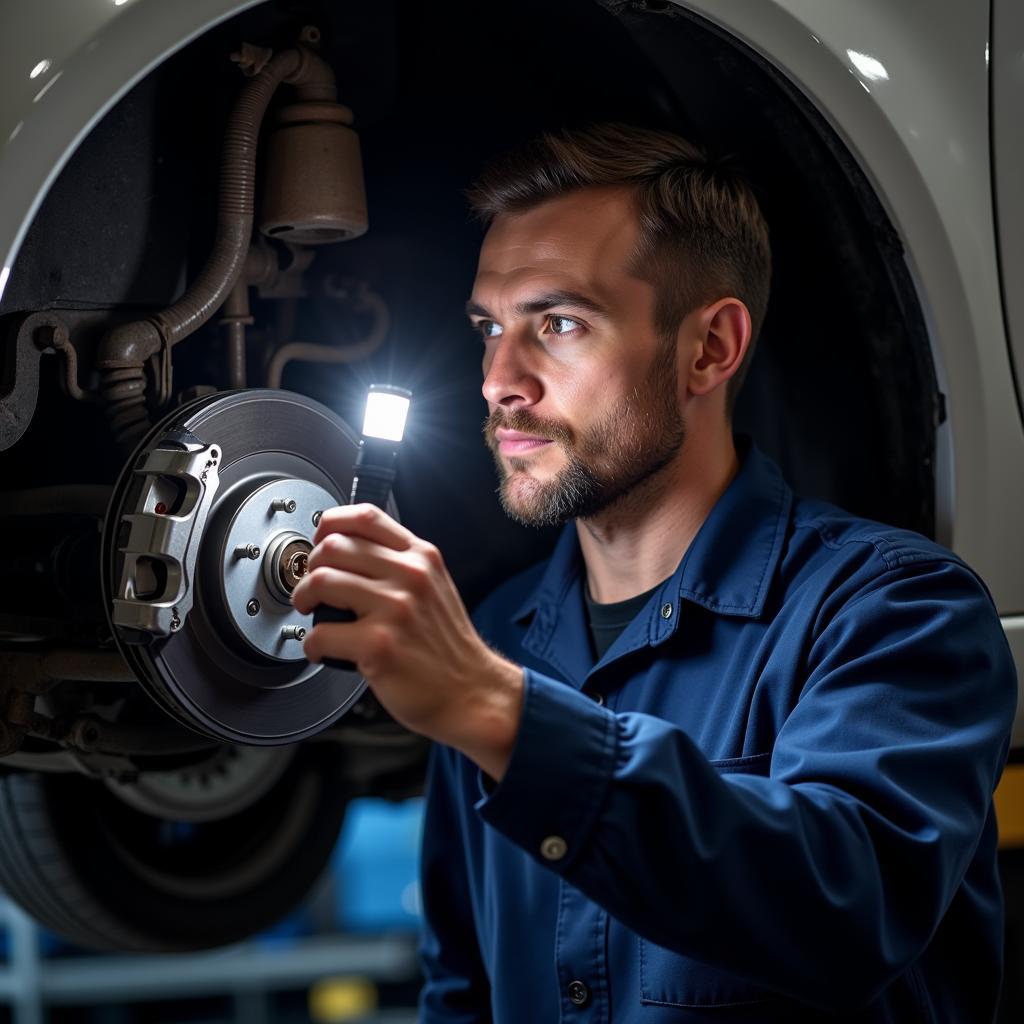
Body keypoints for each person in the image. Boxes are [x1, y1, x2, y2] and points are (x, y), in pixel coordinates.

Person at [291, 123, 1018, 1021]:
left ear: (709, 348)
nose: (498, 380)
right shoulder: (493, 634)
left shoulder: (900, 611)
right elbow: (463, 990)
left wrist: (499, 712)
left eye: (558, 323)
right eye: (489, 327)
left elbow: (850, 906)